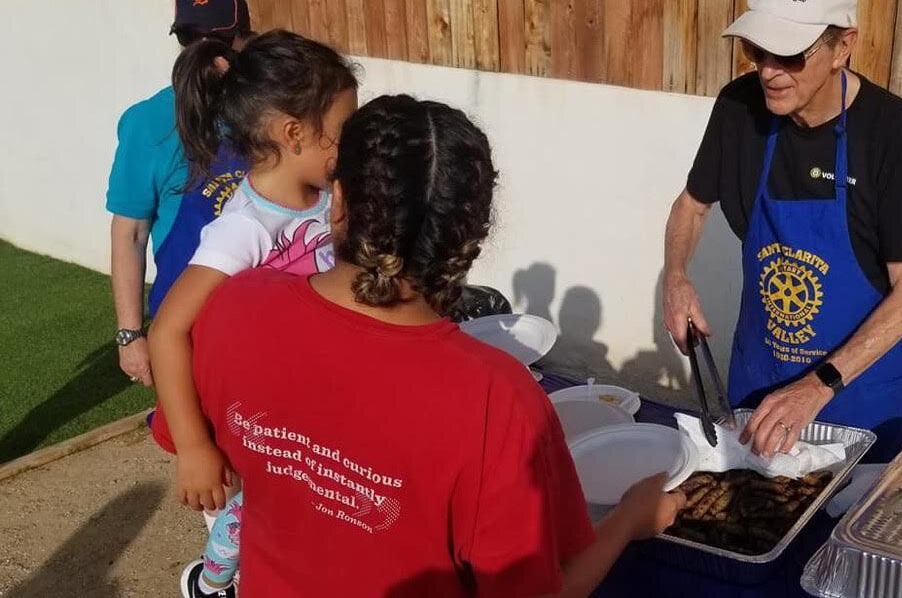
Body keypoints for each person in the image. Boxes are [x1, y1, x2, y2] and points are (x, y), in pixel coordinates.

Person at [182, 94, 685, 596]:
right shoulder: (497, 398)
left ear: (337, 200)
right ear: (470, 236)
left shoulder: (235, 306)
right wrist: (628, 520)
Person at [662, 0, 902, 464]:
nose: (769, 72)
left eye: (790, 55)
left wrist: (820, 385)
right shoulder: (738, 110)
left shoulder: (898, 139)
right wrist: (676, 277)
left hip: (864, 399)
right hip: (762, 381)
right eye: (757, 51)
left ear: (843, 47)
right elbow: (691, 204)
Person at [147, 30, 359, 598]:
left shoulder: (326, 195)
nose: (353, 149)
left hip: (301, 405)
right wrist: (194, 448)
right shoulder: (244, 228)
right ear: (293, 134)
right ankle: (211, 582)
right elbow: (167, 330)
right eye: (344, 134)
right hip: (243, 425)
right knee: (237, 531)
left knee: (289, 527)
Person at [107, 0, 252, 387]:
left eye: (219, 40)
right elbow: (130, 231)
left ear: (245, 40)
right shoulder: (147, 122)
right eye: (192, 38)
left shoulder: (269, 111)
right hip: (189, 322)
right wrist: (130, 335)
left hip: (267, 313)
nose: (204, 52)